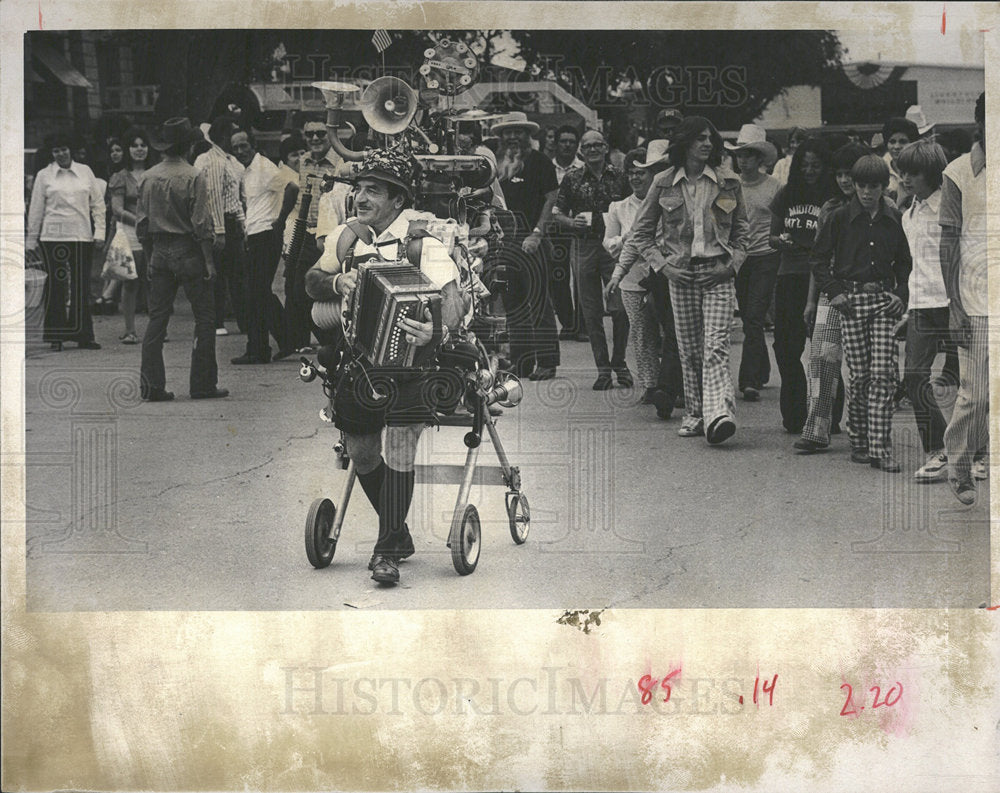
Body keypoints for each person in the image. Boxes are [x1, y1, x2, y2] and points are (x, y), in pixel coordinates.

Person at [304, 149, 467, 585]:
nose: (360, 197)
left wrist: (433, 332)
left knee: (398, 443)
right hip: (359, 362)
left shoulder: (421, 243)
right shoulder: (346, 237)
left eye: (372, 190)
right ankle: (400, 533)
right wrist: (338, 281)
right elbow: (311, 281)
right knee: (360, 450)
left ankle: (387, 550)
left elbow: (453, 304)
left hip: (413, 367)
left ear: (397, 200)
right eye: (358, 189)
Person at [629, 116, 749, 444]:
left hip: (718, 273)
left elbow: (742, 233)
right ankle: (695, 413)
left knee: (716, 345)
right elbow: (641, 233)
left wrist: (731, 266)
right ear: (685, 143)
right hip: (679, 274)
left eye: (711, 139)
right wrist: (664, 267)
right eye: (699, 139)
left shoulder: (729, 181)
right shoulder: (664, 181)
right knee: (689, 350)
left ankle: (719, 413)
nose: (707, 144)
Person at [810, 154, 911, 471]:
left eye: (875, 186)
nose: (868, 192)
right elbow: (818, 260)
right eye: (862, 186)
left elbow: (905, 264)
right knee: (860, 376)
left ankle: (880, 447)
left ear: (885, 187)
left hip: (882, 300)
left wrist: (900, 294)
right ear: (853, 186)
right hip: (850, 302)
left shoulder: (893, 218)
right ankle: (860, 440)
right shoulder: (838, 218)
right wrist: (834, 292)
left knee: (883, 374)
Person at [137, 117, 227, 402]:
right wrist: (209, 261)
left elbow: (142, 224)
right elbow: (201, 223)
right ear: (188, 145)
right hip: (188, 251)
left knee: (157, 319)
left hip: (160, 252)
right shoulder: (193, 175)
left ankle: (151, 385)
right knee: (204, 318)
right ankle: (202, 383)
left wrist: (151, 258)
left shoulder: (149, 176)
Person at [795, 143, 868, 452]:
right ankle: (817, 430)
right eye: (838, 174)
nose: (843, 180)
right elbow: (818, 258)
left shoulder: (880, 207)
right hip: (830, 291)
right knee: (821, 359)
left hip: (866, 292)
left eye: (848, 174)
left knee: (864, 367)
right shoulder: (829, 208)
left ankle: (865, 433)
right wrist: (812, 301)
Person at [893, 139, 953, 482]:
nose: (905, 179)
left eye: (912, 173)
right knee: (915, 378)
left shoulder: (950, 207)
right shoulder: (908, 214)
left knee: (968, 384)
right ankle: (938, 451)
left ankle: (978, 451)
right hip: (920, 306)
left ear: (931, 173)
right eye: (902, 172)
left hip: (953, 303)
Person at [769, 137, 838, 434]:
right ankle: (795, 413)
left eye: (816, 166)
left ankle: (829, 415)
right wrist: (779, 241)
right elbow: (771, 236)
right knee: (786, 349)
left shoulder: (834, 196)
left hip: (822, 279)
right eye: (805, 165)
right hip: (789, 276)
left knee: (823, 350)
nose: (810, 171)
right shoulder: (787, 194)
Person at [554, 129, 631, 390]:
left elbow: (634, 208)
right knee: (591, 312)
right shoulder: (572, 178)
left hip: (614, 248)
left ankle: (620, 361)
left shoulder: (621, 177)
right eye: (587, 146)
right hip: (583, 246)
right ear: (581, 152)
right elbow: (558, 213)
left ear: (606, 147)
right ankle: (603, 369)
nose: (593, 150)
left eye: (598, 145)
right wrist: (569, 221)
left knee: (620, 308)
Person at [940, 92, 987, 504]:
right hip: (975, 300)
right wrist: (954, 305)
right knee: (977, 393)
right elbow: (948, 242)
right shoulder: (958, 173)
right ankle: (958, 466)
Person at [491, 112, 561, 380]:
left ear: (527, 135)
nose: (512, 137)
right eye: (507, 133)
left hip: (532, 242)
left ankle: (547, 361)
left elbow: (551, 200)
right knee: (513, 303)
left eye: (517, 131)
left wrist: (537, 234)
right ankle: (521, 362)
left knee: (540, 303)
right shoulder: (496, 164)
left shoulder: (540, 162)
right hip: (503, 244)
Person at [26, 131, 106, 351]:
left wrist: (100, 233)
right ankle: (56, 335)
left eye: (64, 149)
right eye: (56, 151)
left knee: (81, 284)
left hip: (81, 235)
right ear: (52, 153)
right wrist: (31, 241)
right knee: (57, 285)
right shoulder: (45, 175)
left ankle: (84, 335)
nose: (61, 154)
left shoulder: (85, 172)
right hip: (53, 238)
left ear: (71, 150)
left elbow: (98, 205)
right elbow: (36, 209)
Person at [603, 147, 665, 411]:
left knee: (669, 332)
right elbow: (609, 243)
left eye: (641, 173)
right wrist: (628, 238)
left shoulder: (664, 202)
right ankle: (650, 386)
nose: (636, 178)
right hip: (631, 277)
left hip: (661, 275)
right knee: (641, 333)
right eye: (631, 173)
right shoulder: (619, 207)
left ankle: (675, 384)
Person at [280, 114, 346, 355]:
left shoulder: (340, 162)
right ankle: (328, 341)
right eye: (310, 134)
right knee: (298, 291)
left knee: (329, 288)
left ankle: (338, 341)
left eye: (321, 133)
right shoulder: (304, 160)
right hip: (307, 233)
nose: (316, 138)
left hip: (331, 236)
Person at [725, 124, 780, 402]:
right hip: (739, 258)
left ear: (760, 158)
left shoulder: (775, 187)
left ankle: (748, 380)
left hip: (766, 256)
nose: (743, 160)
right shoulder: (729, 185)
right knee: (748, 316)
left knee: (755, 316)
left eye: (749, 154)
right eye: (740, 154)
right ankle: (762, 368)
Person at [229, 127, 287, 365]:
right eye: (236, 148)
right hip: (254, 234)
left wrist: (280, 220)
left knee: (254, 294)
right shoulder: (248, 171)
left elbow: (291, 187)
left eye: (244, 145)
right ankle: (286, 338)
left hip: (266, 235)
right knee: (258, 293)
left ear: (253, 144)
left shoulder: (265, 167)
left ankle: (258, 349)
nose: (241, 151)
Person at [194, 114, 247, 337]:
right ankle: (217, 321)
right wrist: (220, 231)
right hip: (222, 221)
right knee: (221, 274)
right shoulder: (213, 161)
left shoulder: (229, 160)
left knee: (237, 275)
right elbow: (214, 196)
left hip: (233, 220)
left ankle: (243, 320)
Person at [107, 127, 155, 345]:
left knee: (156, 281)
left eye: (143, 145)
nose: (139, 150)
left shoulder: (155, 173)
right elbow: (117, 210)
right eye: (134, 146)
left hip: (154, 232)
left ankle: (158, 330)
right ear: (127, 149)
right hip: (130, 234)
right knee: (131, 282)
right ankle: (130, 330)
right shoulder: (120, 177)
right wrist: (139, 220)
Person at [549, 124, 584, 339]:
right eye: (563, 141)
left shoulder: (583, 167)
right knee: (558, 277)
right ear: (556, 143)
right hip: (555, 228)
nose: (567, 145)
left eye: (572, 141)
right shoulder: (547, 167)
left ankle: (582, 326)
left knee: (582, 277)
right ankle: (568, 323)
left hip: (580, 227)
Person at [94, 137, 128, 314]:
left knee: (120, 255)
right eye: (112, 151)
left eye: (119, 150)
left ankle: (107, 295)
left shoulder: (125, 174)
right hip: (113, 220)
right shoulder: (112, 172)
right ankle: (106, 296)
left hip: (124, 221)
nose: (115, 154)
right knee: (110, 255)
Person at [880, 117, 920, 203]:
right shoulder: (881, 168)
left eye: (903, 141)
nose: (897, 147)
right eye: (892, 141)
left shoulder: (921, 169)